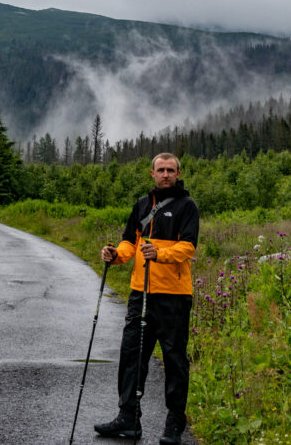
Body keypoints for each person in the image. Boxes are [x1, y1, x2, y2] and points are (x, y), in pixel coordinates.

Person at [94, 153, 199, 444]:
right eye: (161, 170)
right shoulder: (142, 204)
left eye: (171, 170)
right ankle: (128, 418)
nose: (166, 174)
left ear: (178, 173)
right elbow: (130, 242)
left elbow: (188, 247)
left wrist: (161, 254)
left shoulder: (187, 206)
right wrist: (115, 255)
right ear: (151, 173)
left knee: (174, 359)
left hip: (174, 297)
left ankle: (174, 422)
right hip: (140, 293)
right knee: (131, 356)